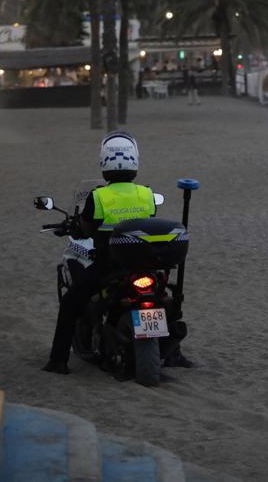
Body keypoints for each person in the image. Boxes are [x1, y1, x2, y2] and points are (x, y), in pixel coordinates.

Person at [42, 132, 192, 374]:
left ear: (104, 163)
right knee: (166, 296)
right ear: (135, 161)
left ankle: (58, 361)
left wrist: (76, 225)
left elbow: (86, 227)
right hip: (146, 265)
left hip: (109, 267)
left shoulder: (98, 196)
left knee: (71, 302)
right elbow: (148, 222)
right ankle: (174, 354)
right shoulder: (145, 193)